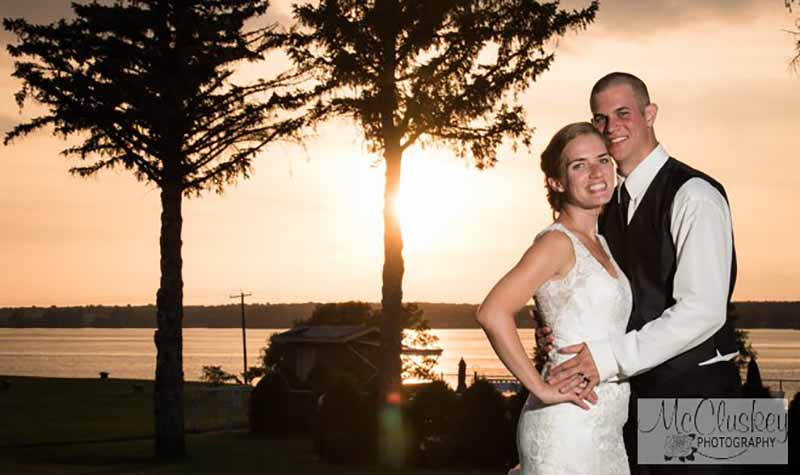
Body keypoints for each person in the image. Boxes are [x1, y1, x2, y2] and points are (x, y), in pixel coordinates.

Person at [538, 72, 740, 475]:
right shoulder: (604, 205)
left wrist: (608, 357)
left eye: (623, 113)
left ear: (650, 114)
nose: (611, 127)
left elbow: (705, 311)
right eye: (600, 118)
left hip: (704, 394)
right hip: (629, 400)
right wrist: (556, 324)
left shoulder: (695, 194)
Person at [476, 122, 632, 474]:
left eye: (603, 159)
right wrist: (541, 389)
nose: (596, 172)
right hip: (568, 428)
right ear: (557, 182)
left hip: (605, 428)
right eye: (579, 165)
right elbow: (492, 312)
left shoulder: (601, 241)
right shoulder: (557, 243)